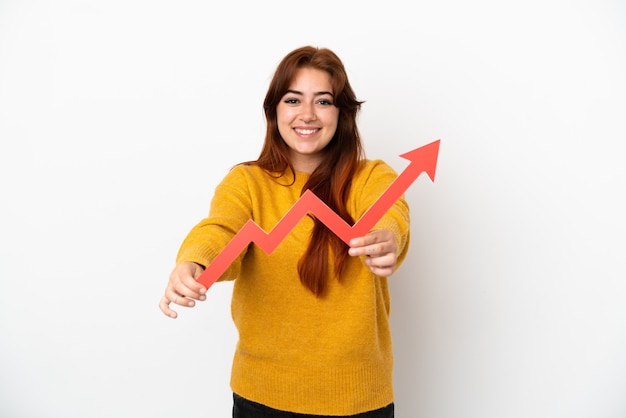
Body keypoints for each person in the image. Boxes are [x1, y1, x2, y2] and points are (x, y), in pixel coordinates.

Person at [159, 45, 410, 418]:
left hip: (359, 402)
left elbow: (391, 212)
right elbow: (220, 228)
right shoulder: (247, 182)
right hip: (262, 398)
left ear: (341, 113)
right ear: (274, 110)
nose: (307, 114)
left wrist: (388, 237)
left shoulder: (370, 176)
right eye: (293, 100)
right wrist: (193, 261)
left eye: (323, 102)